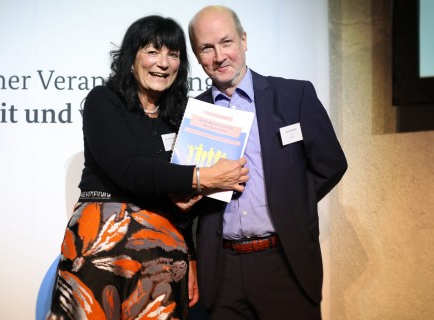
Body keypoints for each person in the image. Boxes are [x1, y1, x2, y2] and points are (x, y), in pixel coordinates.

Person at [47, 15, 249, 320]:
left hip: (165, 256)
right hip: (103, 246)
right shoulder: (104, 101)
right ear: (132, 56)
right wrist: (200, 177)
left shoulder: (184, 116)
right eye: (153, 51)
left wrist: (191, 257)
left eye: (173, 54)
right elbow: (129, 170)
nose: (163, 63)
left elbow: (187, 206)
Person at [187, 6, 348, 319]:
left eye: (227, 42)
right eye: (207, 48)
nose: (219, 56)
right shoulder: (195, 113)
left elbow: (331, 165)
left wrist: (290, 203)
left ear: (244, 40)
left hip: (284, 263)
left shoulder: (293, 95)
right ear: (197, 55)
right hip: (223, 271)